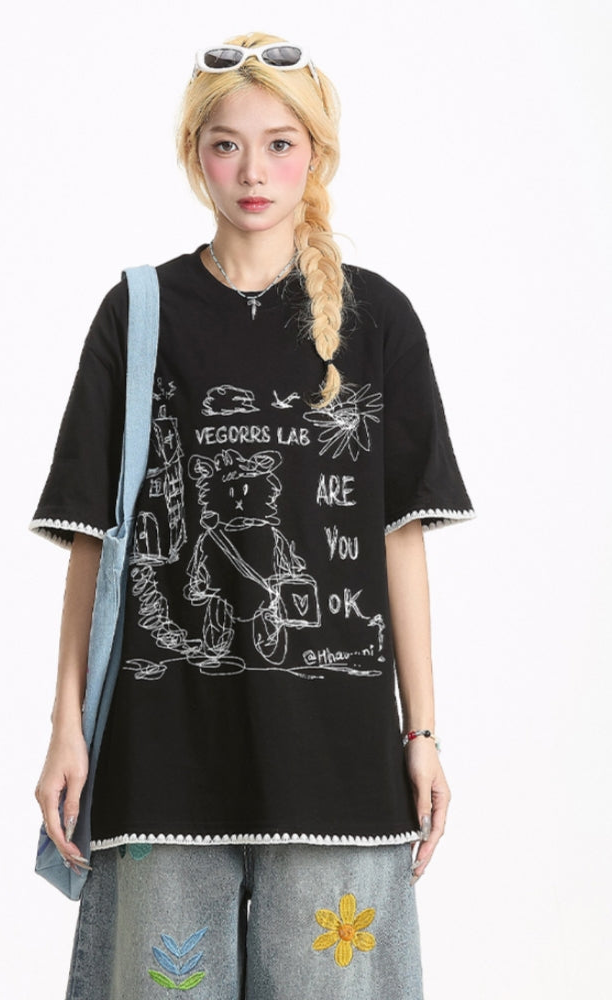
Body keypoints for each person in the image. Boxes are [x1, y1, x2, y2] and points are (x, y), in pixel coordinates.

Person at [32, 32, 473, 1000]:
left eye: (280, 144)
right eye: (226, 145)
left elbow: (400, 540)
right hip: (162, 760)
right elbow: (92, 543)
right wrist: (67, 727)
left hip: (338, 765)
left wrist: (424, 734)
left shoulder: (378, 319)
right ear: (196, 156)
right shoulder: (139, 312)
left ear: (317, 153)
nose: (253, 171)